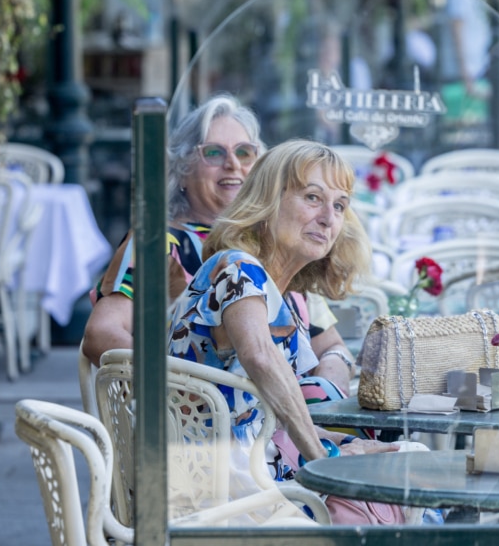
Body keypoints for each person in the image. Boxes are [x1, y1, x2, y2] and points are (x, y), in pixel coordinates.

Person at [167, 140, 398, 520]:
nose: (329, 218)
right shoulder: (237, 268)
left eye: (339, 205)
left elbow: (259, 422)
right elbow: (260, 357)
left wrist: (337, 444)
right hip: (216, 494)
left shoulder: (281, 295)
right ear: (268, 200)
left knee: (398, 462)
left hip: (243, 473)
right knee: (390, 495)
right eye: (312, 197)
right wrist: (323, 458)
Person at [80, 96, 356, 394]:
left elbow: (332, 346)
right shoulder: (159, 242)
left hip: (286, 424)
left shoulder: (280, 243)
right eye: (213, 153)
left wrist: (324, 392)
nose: (233, 164)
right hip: (196, 426)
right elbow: (101, 335)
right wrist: (193, 394)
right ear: (182, 169)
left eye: (245, 152)